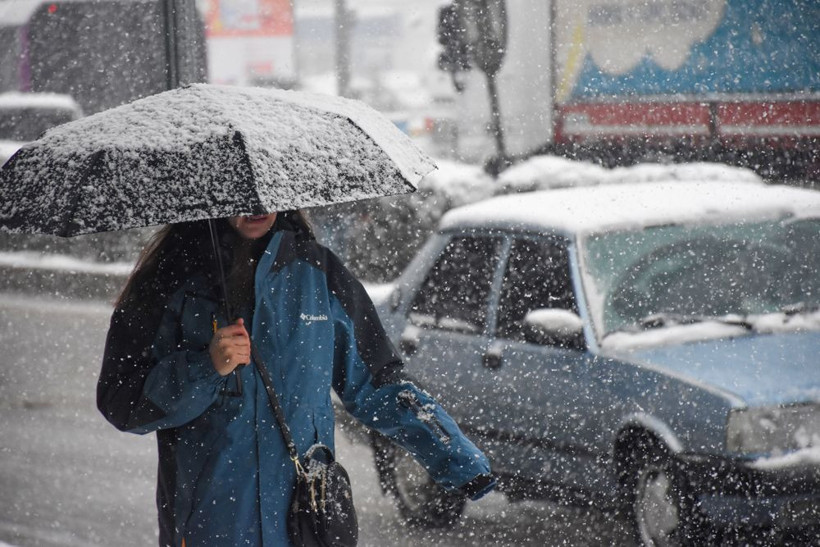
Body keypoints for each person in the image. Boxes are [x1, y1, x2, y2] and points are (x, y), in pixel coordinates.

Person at [97, 211, 495, 547]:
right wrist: (206, 368)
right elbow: (122, 400)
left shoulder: (319, 275)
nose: (257, 206)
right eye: (241, 193)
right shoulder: (170, 281)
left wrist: (456, 457)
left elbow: (380, 384)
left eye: (268, 193)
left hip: (305, 523)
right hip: (212, 527)